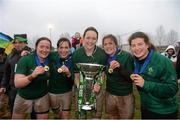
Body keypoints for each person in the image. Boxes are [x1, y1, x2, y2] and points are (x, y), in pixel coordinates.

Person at [129, 31, 178, 119]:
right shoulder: (136, 61)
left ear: (147, 45)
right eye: (133, 45)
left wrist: (145, 84)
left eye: (140, 44)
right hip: (146, 108)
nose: (136, 48)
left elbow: (172, 88)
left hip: (163, 111)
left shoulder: (163, 61)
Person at [12, 37, 52, 119]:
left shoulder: (51, 59)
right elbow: (17, 83)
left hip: (42, 96)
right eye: (41, 47)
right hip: (24, 97)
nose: (44, 50)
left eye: (47, 47)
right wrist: (32, 75)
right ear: (36, 47)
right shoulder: (25, 59)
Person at [72, 26, 106, 119]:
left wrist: (99, 84)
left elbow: (103, 73)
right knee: (81, 116)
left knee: (96, 115)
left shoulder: (102, 54)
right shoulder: (76, 54)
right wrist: (82, 88)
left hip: (96, 90)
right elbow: (76, 75)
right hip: (81, 90)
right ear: (83, 38)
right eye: (88, 38)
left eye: (94, 38)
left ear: (97, 40)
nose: (90, 41)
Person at [102, 34, 134, 119]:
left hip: (124, 95)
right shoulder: (104, 57)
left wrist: (120, 67)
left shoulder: (126, 56)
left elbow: (132, 78)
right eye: (105, 44)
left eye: (110, 43)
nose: (108, 46)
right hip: (110, 93)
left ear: (116, 44)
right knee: (112, 116)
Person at [0, 34, 31, 117]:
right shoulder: (10, 56)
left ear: (25, 43)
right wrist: (3, 85)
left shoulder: (31, 54)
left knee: (32, 112)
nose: (17, 44)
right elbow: (6, 73)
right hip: (13, 88)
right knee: (14, 110)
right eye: (15, 42)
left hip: (28, 88)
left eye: (20, 42)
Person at [49, 37, 73, 119]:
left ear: (70, 48)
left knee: (65, 115)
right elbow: (40, 53)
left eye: (66, 47)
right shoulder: (51, 55)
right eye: (61, 47)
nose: (63, 50)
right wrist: (26, 52)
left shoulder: (73, 59)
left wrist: (68, 73)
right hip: (52, 92)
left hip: (67, 91)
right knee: (57, 115)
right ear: (58, 48)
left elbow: (74, 80)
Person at [0, 48, 9, 118]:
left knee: (3, 100)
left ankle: (3, 113)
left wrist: (4, 84)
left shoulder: (7, 61)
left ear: (2, 54)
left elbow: (6, 74)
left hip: (4, 84)